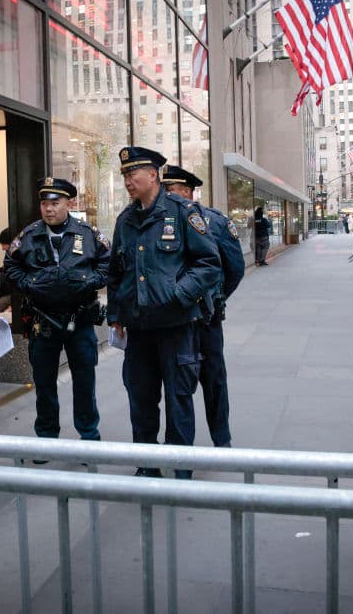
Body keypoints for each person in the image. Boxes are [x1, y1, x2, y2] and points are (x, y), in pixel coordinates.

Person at [107, 147, 221, 478]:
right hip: (139, 330)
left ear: (153, 175)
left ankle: (180, 468)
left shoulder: (183, 212)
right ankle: (147, 465)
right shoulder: (125, 221)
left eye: (133, 174)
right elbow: (115, 272)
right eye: (124, 175)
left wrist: (179, 294)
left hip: (177, 326)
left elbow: (209, 263)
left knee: (178, 398)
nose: (128, 181)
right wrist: (115, 315)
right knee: (141, 400)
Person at [3, 177, 110, 450]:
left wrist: (90, 281)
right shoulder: (28, 236)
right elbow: (10, 267)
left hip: (80, 319)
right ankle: (47, 439)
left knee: (84, 382)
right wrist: (29, 284)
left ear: (69, 204)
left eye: (55, 203)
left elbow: (108, 264)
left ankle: (89, 438)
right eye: (44, 203)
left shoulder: (88, 234)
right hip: (43, 321)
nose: (49, 209)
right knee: (44, 384)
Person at [161, 165, 245, 448]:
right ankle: (180, 447)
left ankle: (221, 440)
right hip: (174, 319)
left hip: (207, 319)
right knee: (177, 385)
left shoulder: (214, 221)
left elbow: (235, 269)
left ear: (188, 192)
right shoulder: (160, 222)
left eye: (171, 190)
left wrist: (215, 298)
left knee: (214, 380)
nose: (165, 195)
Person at [0, 228, 15, 313]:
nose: (2, 248)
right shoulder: (10, 254)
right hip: (6, 292)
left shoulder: (16, 255)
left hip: (11, 294)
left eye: (3, 244)